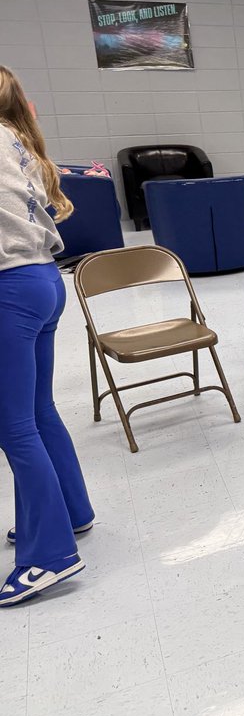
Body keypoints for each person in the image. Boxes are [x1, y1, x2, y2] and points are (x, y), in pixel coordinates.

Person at [0, 66, 94, 606]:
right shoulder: (16, 139)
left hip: (9, 288)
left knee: (13, 426)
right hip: (40, 280)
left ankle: (48, 556)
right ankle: (71, 512)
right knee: (36, 412)